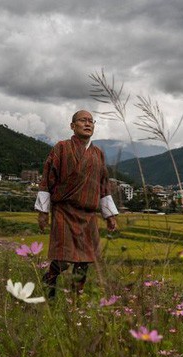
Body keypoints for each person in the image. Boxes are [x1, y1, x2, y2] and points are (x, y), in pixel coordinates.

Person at [34, 110, 118, 298]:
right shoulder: (61, 148)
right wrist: (43, 211)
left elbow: (104, 184)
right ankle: (51, 280)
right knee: (63, 256)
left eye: (91, 121)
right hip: (64, 210)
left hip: (88, 215)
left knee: (86, 258)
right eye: (83, 120)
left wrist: (110, 215)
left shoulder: (98, 154)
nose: (88, 124)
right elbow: (47, 179)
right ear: (73, 126)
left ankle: (76, 296)